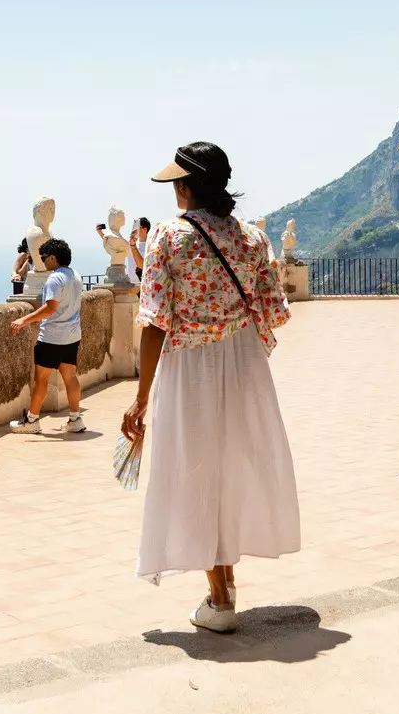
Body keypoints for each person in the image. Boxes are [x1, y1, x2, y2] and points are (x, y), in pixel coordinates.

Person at [122, 141, 299, 633]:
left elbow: (155, 320)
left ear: (185, 185)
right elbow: (274, 309)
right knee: (229, 468)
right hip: (243, 364)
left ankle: (221, 600)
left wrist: (139, 399)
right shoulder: (252, 237)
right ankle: (224, 585)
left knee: (195, 472)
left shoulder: (167, 236)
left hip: (191, 365)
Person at [10, 237, 86, 434]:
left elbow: (50, 307)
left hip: (52, 337)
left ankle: (32, 421)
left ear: (53, 257)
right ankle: (75, 419)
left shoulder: (55, 278)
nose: (42, 261)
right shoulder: (75, 275)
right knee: (70, 377)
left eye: (43, 257)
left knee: (41, 380)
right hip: (72, 336)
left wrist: (24, 320)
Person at [127, 216, 151, 285]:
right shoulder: (130, 242)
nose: (135, 229)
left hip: (144, 284)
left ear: (145, 229)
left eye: (137, 226)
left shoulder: (151, 245)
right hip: (131, 284)